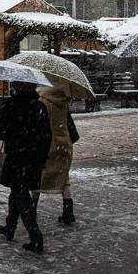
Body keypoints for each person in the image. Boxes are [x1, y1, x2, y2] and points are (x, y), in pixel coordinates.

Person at [0, 81, 52, 254]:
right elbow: (46, 136)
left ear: (16, 87)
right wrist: (42, 157)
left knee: (21, 195)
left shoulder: (11, 106)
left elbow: (2, 133)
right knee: (17, 191)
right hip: (33, 158)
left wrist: (2, 117)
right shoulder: (39, 106)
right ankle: (10, 227)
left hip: (17, 158)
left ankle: (36, 237)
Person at [38, 85, 79, 226]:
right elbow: (68, 123)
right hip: (64, 144)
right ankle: (68, 211)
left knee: (38, 176)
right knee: (64, 178)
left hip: (49, 144)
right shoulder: (63, 101)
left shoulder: (43, 102)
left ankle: (31, 207)